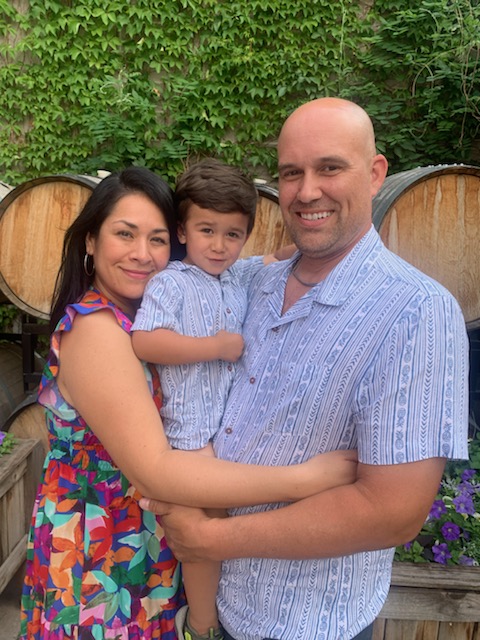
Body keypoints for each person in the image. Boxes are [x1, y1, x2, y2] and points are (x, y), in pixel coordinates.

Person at [139, 98, 470, 640]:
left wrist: (212, 540)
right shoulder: (253, 281)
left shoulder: (415, 312)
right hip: (215, 603)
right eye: (291, 173)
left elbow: (393, 513)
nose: (307, 191)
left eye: (330, 167)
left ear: (375, 174)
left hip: (305, 622)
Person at [20, 166, 357, 640]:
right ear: (90, 241)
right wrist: (304, 480)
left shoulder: (137, 314)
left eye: (156, 239)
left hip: (139, 546)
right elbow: (157, 471)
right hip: (102, 559)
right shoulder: (96, 330)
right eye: (124, 234)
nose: (142, 254)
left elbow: (260, 262)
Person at [131, 158, 293, 640]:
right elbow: (146, 341)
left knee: (226, 526)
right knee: (207, 531)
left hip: (228, 432)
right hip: (189, 434)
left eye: (233, 234)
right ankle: (201, 626)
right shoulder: (171, 281)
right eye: (207, 231)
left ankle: (212, 614)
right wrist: (216, 347)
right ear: (183, 230)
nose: (219, 245)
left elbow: (278, 257)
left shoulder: (237, 276)